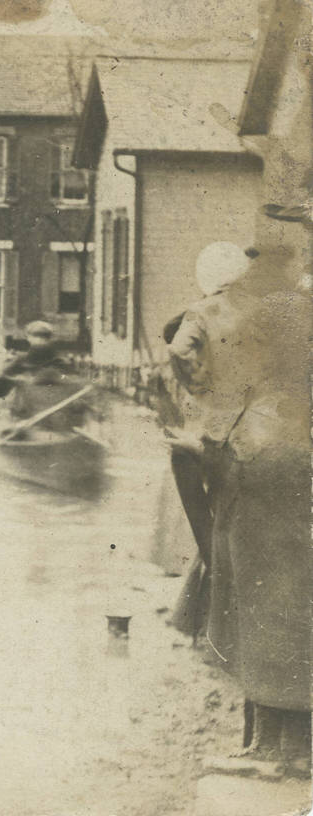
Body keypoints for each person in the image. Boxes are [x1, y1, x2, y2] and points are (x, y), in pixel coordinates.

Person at [165, 241, 312, 777]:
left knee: (256, 594)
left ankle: (274, 750)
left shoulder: (216, 310)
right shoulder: (296, 306)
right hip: (302, 456)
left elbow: (182, 350)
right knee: (295, 591)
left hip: (251, 452)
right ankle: (285, 743)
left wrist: (209, 394)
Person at [0, 320, 86, 431]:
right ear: (51, 339)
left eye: (42, 337)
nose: (40, 341)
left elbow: (0, 391)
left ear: (28, 338)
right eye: (38, 336)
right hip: (51, 422)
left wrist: (6, 377)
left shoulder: (20, 362)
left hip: (34, 421)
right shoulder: (63, 363)